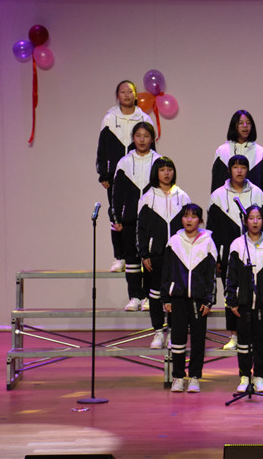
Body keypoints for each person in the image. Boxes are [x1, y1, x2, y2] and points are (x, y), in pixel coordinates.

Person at [207, 154, 263, 350]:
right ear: (229, 170)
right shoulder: (218, 195)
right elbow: (212, 229)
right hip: (229, 255)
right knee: (232, 293)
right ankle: (234, 335)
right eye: (235, 167)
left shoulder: (257, 193)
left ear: (247, 170)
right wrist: (218, 257)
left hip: (257, 252)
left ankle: (252, 333)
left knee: (254, 295)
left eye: (243, 167)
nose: (239, 171)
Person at [97, 80, 155, 272]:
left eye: (130, 91)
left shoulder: (144, 118)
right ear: (117, 96)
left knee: (141, 215)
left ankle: (141, 255)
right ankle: (120, 257)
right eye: (123, 92)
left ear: (136, 95)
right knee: (117, 215)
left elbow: (153, 149)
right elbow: (102, 148)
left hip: (141, 175)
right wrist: (104, 173)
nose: (127, 95)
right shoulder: (109, 119)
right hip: (117, 175)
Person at [225, 205, 263, 393]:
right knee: (243, 342)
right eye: (251, 218)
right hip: (243, 302)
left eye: (258, 218)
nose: (255, 221)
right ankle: (244, 376)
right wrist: (231, 300)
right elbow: (231, 275)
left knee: (260, 341)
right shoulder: (237, 244)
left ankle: (259, 377)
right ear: (245, 221)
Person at [136, 156, 191, 349]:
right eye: (162, 170)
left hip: (177, 255)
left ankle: (173, 331)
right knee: (155, 295)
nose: (166, 173)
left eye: (170, 169)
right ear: (156, 173)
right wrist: (144, 253)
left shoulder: (182, 196)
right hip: (156, 255)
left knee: (175, 295)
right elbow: (141, 228)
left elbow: (190, 227)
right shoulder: (148, 198)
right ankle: (158, 332)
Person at [162, 204, 217, 393]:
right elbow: (166, 272)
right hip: (177, 299)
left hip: (199, 301)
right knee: (177, 340)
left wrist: (209, 300)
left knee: (198, 341)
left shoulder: (208, 242)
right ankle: (178, 377)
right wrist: (166, 298)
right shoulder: (174, 241)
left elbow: (211, 276)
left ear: (200, 221)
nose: (189, 220)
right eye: (186, 216)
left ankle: (194, 377)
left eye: (194, 217)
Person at [112, 121, 160, 311]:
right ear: (133, 138)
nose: (142, 140)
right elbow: (117, 193)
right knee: (131, 260)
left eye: (146, 136)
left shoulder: (159, 161)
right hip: (130, 220)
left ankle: (147, 297)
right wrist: (117, 217)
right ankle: (134, 297)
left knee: (149, 260)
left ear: (152, 139)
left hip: (151, 220)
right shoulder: (124, 162)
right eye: (138, 136)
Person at [211, 110, 263, 208]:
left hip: (253, 212)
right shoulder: (222, 152)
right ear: (234, 125)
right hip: (227, 210)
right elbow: (216, 185)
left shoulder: (260, 152)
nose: (245, 126)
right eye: (241, 123)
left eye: (248, 123)